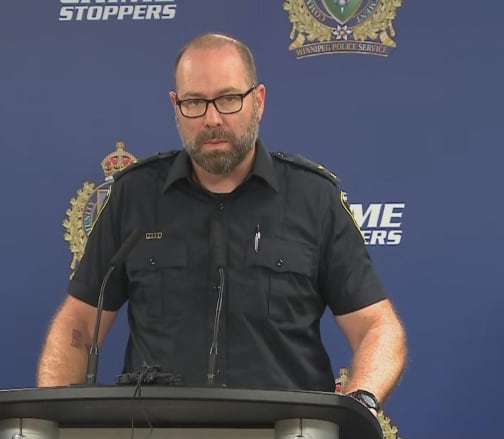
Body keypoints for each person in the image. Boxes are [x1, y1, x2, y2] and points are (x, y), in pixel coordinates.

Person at [37, 32, 406, 415]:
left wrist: (360, 400)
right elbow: (77, 326)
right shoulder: (135, 195)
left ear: (258, 101)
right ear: (176, 106)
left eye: (229, 99)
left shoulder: (312, 197)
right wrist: (50, 421)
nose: (212, 119)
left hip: (286, 429)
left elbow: (378, 328)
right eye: (195, 102)